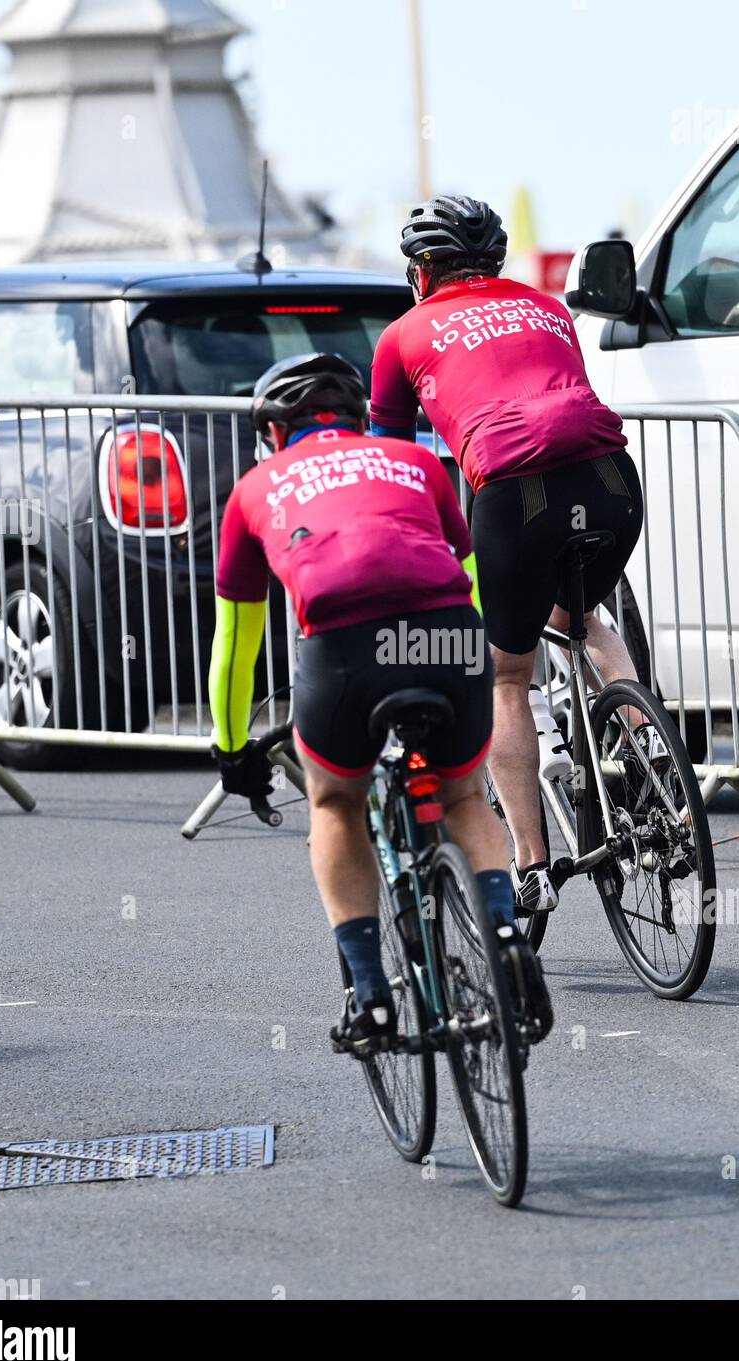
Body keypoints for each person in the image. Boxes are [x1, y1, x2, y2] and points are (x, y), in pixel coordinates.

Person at [207, 351, 552, 1048]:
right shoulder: (414, 462)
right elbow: (473, 574)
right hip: (448, 632)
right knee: (459, 799)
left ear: (274, 434)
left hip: (344, 649)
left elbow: (234, 649)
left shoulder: (254, 489)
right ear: (362, 418)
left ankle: (368, 996)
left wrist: (231, 747)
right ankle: (506, 938)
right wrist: (484, 657)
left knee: (334, 803)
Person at [370, 194, 656, 914]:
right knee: (583, 619)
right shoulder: (545, 306)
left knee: (504, 675)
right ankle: (648, 742)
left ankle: (531, 862)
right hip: (614, 479)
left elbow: (394, 464)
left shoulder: (403, 334)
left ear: (422, 271)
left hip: (514, 493)